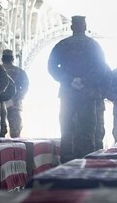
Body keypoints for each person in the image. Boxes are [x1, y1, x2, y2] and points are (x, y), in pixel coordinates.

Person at [47, 15, 110, 159]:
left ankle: (66, 165)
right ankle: (86, 166)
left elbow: (51, 67)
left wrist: (68, 80)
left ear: (71, 27)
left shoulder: (62, 45)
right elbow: (101, 68)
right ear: (85, 26)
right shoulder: (93, 45)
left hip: (67, 93)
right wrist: (85, 81)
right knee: (87, 131)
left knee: (67, 130)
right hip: (88, 94)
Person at [0, 49, 30, 138]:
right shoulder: (20, 72)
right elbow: (25, 87)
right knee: (16, 131)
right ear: (12, 59)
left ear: (2, 58)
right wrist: (16, 98)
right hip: (15, 104)